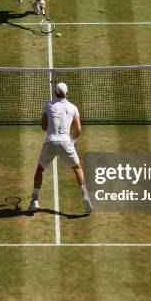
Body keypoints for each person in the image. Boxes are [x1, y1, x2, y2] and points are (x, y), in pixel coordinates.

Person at [29, 83, 94, 214]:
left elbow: (43, 126)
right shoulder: (73, 108)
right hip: (66, 143)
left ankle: (35, 200)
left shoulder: (48, 105)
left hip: (50, 142)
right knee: (77, 168)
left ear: (55, 93)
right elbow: (78, 130)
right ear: (67, 93)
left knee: (39, 170)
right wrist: (71, 141)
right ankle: (86, 197)